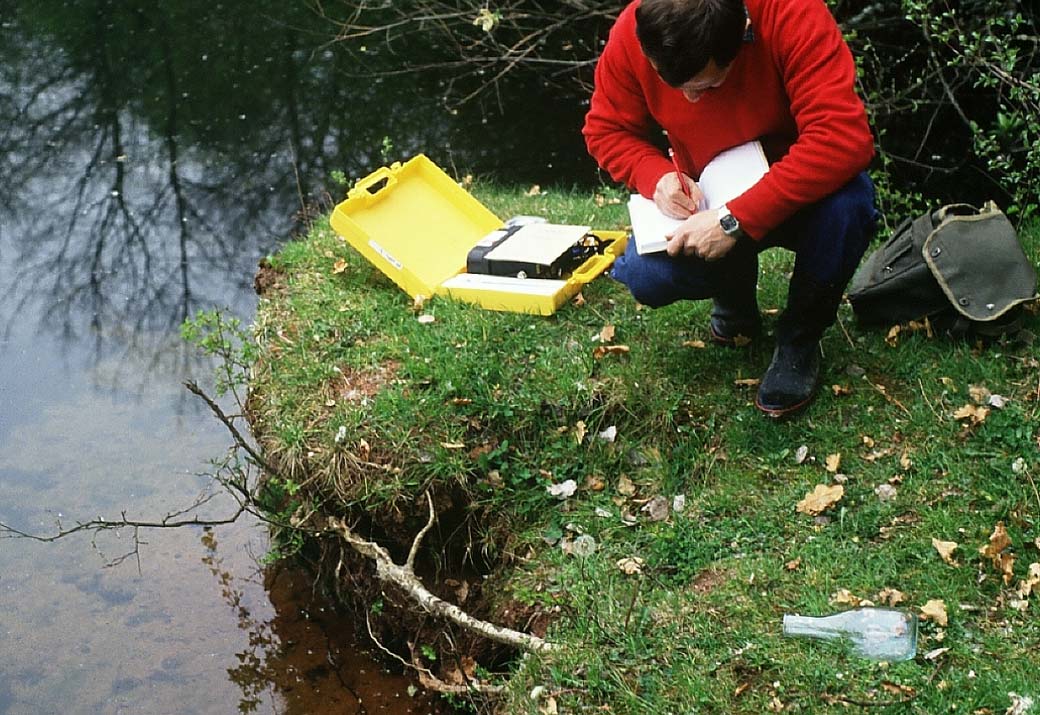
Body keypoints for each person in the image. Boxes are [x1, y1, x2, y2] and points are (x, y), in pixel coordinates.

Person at [583, 0, 880, 417]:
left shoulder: (792, 13)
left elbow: (843, 137)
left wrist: (736, 221)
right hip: (708, 194)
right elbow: (605, 129)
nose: (688, 99)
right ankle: (734, 298)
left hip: (796, 188)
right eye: (673, 85)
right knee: (646, 276)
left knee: (851, 204)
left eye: (706, 87)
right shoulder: (638, 26)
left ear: (742, 31)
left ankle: (799, 340)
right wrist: (655, 176)